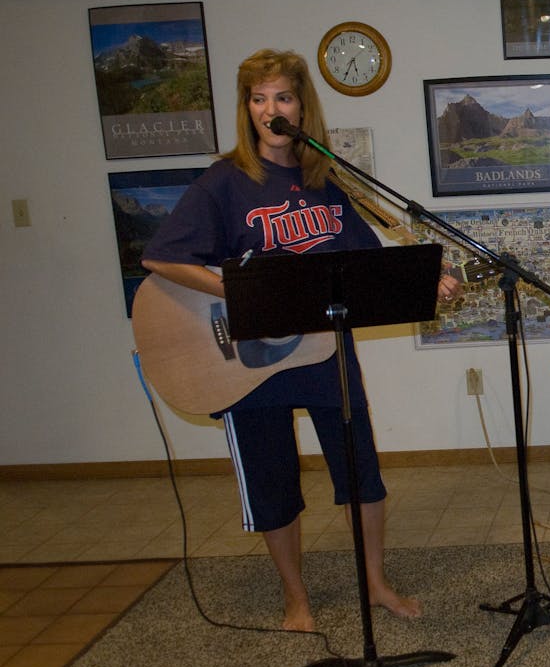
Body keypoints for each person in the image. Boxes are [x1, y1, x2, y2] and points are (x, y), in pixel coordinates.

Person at [143, 49, 460, 632]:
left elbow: (367, 259)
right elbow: (160, 256)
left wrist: (426, 280)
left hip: (320, 352)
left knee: (360, 472)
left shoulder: (325, 180)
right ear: (247, 108)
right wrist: (236, 290)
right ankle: (296, 598)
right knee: (273, 482)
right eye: (258, 99)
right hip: (239, 361)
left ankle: (377, 583)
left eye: (282, 98)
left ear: (300, 105)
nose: (270, 109)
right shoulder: (224, 182)